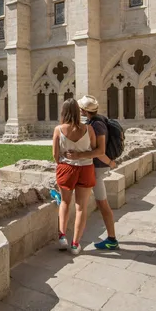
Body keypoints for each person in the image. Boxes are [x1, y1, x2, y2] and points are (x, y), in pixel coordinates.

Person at [72, 95, 119, 250]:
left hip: (98, 168)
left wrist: (79, 155)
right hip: (97, 166)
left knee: (102, 204)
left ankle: (112, 239)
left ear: (85, 111)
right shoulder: (96, 121)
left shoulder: (96, 125)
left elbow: (100, 151)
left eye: (81, 109)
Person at [52, 98, 97, 254]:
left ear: (63, 112)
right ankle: (75, 244)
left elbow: (55, 155)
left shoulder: (58, 129)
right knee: (81, 207)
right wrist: (81, 155)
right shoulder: (89, 130)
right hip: (86, 168)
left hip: (66, 168)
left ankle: (62, 237)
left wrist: (64, 162)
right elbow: (94, 150)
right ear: (79, 112)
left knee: (64, 202)